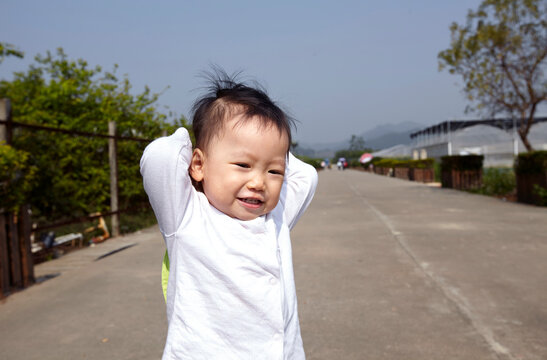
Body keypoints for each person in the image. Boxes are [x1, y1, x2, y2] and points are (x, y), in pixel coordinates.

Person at [140, 70, 318, 359]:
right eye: (243, 165)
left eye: (274, 171)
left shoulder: (276, 216)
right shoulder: (187, 216)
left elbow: (306, 176)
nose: (259, 182)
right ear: (197, 164)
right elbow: (159, 156)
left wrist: (269, 143)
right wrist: (187, 138)